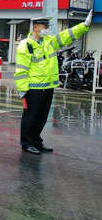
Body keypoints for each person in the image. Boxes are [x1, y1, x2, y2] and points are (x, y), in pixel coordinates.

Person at [14, 11, 92, 154]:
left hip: (48, 86)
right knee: (30, 117)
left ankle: (36, 142)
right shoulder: (26, 45)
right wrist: (23, 90)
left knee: (42, 117)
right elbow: (21, 70)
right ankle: (26, 143)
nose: (47, 29)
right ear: (36, 27)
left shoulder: (49, 41)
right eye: (45, 27)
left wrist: (84, 25)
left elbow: (66, 35)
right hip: (33, 89)